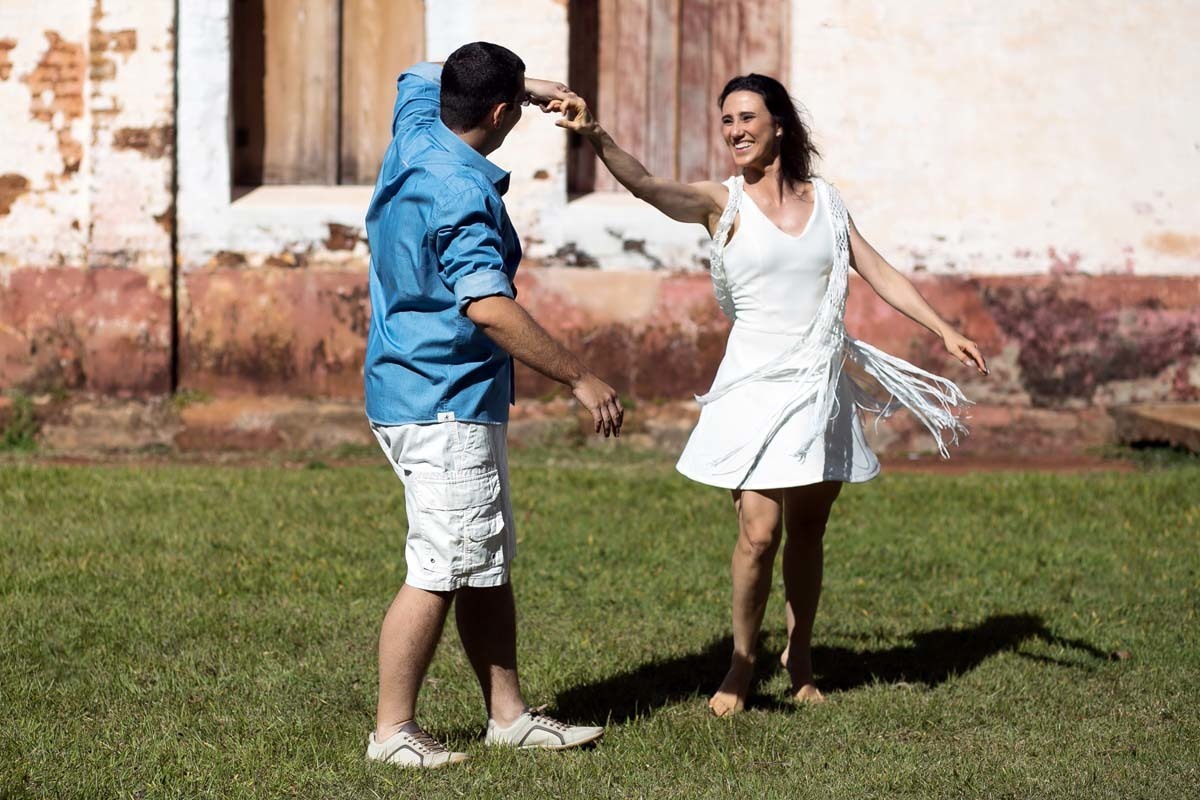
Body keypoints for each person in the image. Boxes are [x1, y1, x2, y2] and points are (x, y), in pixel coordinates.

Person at [554, 74, 987, 716]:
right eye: (726, 119)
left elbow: (880, 271)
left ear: (779, 124)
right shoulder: (717, 202)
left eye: (747, 117)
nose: (735, 130)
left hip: (819, 383)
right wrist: (596, 135)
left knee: (808, 531)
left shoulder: (828, 204)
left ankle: (802, 654)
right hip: (752, 383)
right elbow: (646, 185)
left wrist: (944, 328)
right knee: (759, 532)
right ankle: (741, 660)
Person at [362, 42, 623, 768]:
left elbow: (415, 71)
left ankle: (507, 716)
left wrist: (528, 85)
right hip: (443, 399)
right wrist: (578, 377)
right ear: (501, 114)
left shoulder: (420, 127)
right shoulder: (460, 189)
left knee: (482, 559)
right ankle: (393, 733)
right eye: (516, 106)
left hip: (416, 386)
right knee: (442, 563)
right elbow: (486, 305)